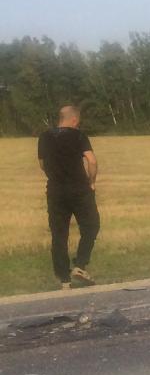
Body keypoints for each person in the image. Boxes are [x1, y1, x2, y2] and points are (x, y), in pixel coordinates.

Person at [38, 104, 100, 290]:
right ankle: (80, 265)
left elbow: (42, 164)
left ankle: (64, 280)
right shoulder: (79, 135)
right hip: (79, 189)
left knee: (59, 235)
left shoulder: (45, 136)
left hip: (56, 191)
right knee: (91, 226)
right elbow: (92, 161)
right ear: (74, 119)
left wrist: (56, 175)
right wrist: (92, 181)